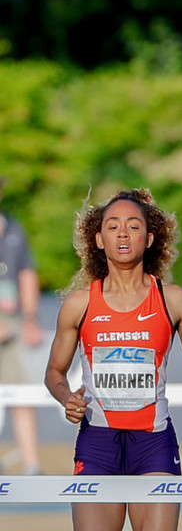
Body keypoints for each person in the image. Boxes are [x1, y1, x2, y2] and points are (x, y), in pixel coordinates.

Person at [45, 188, 182, 531]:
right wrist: (66, 398)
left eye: (133, 225)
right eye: (113, 226)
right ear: (98, 240)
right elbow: (54, 371)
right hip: (97, 443)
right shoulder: (79, 305)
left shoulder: (176, 301)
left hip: (153, 443)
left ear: (150, 237)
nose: (123, 233)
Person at [0, 177, 43, 475]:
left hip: (11, 324)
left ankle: (31, 463)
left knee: (20, 394)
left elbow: (27, 274)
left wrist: (29, 320)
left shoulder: (14, 228)